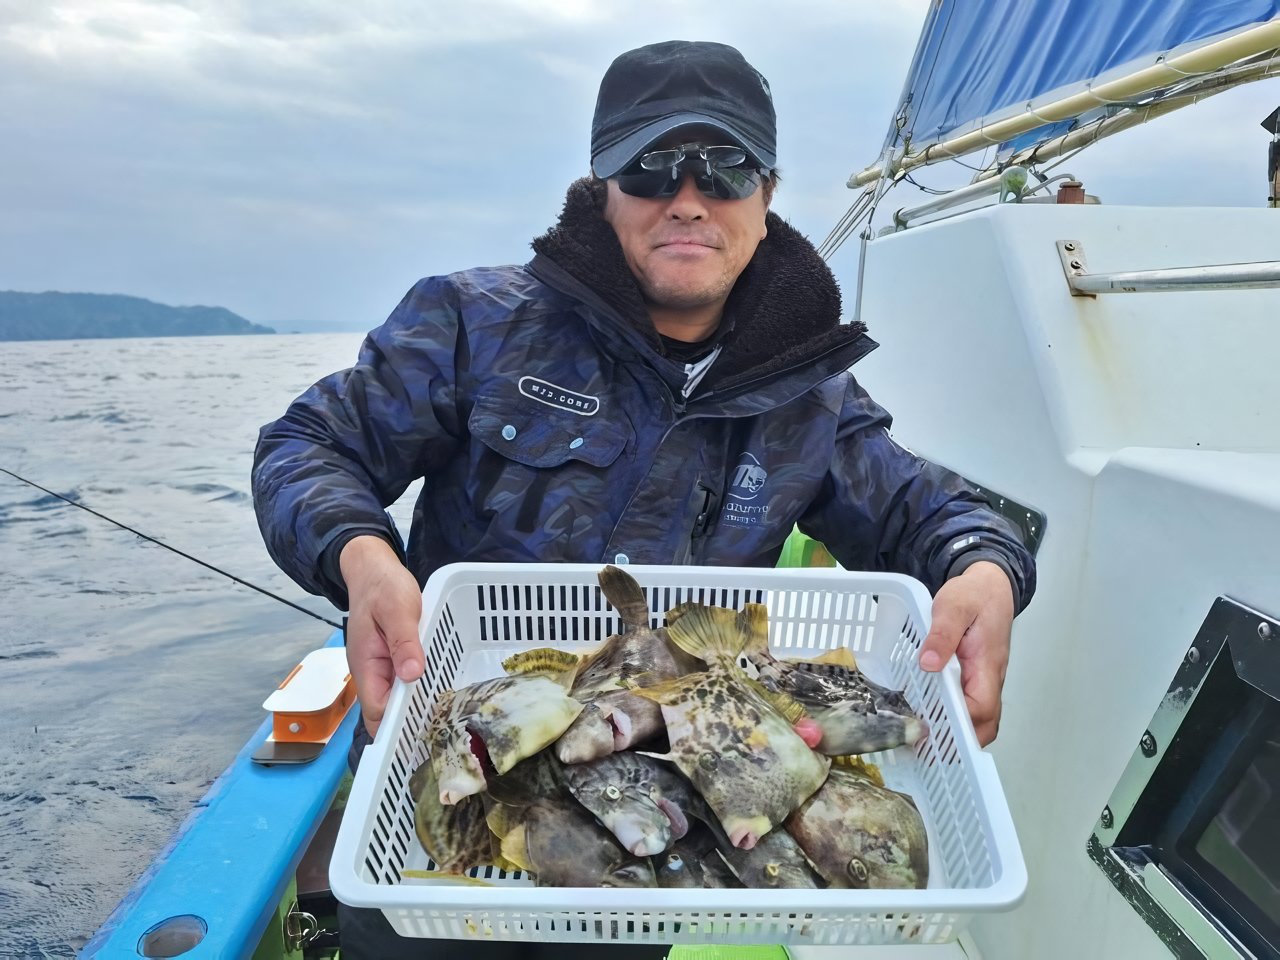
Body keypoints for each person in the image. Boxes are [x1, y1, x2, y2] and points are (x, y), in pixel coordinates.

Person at [253, 39, 1036, 960]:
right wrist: (362, 557)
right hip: (441, 755)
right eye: (650, 166)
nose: (689, 197)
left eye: (727, 166)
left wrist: (987, 569)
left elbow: (930, 512)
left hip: (657, 818)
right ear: (602, 186)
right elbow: (308, 445)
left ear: (769, 190)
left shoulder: (811, 398)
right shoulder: (474, 321)